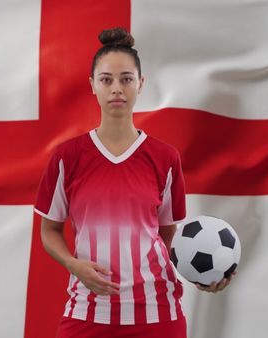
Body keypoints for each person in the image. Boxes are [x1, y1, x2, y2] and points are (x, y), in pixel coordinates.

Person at [34, 27, 233, 338]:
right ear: (92, 86)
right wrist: (74, 265)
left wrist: (200, 273)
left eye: (126, 79)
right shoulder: (67, 157)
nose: (117, 88)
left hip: (157, 313)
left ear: (140, 85)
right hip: (88, 310)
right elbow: (49, 231)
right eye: (106, 80)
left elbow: (169, 237)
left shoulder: (165, 157)